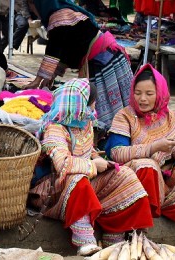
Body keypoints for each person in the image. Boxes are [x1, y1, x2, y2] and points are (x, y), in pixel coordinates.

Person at [29, 78, 153, 256]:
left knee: (124, 174)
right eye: (92, 104)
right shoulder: (55, 128)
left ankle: (114, 236)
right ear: (79, 105)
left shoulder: (84, 123)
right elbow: (62, 163)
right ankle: (84, 240)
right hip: (54, 188)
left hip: (85, 180)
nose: (94, 109)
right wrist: (93, 165)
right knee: (77, 177)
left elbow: (87, 150)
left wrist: (98, 159)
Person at [105, 64, 175, 223]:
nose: (142, 99)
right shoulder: (125, 116)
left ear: (160, 94)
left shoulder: (171, 117)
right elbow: (117, 153)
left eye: (149, 94)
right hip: (135, 176)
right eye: (138, 93)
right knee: (148, 166)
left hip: (167, 176)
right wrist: (153, 148)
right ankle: (144, 218)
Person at [24, 0, 133, 131]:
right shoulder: (63, 16)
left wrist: (38, 80)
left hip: (105, 61)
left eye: (31, 4)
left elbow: (53, 51)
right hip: (105, 58)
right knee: (116, 106)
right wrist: (49, 76)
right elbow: (63, 51)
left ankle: (116, 137)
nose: (32, 9)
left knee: (109, 109)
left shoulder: (59, 17)